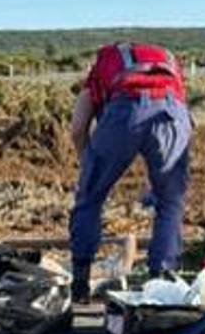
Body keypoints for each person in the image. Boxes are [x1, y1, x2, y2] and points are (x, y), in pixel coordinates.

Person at [67, 42, 192, 301]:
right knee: (170, 202)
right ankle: (161, 283)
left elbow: (78, 128)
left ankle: (80, 282)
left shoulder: (102, 66)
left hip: (125, 110)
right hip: (172, 114)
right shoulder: (169, 63)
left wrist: (88, 166)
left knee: (90, 199)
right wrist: (155, 179)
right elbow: (181, 121)